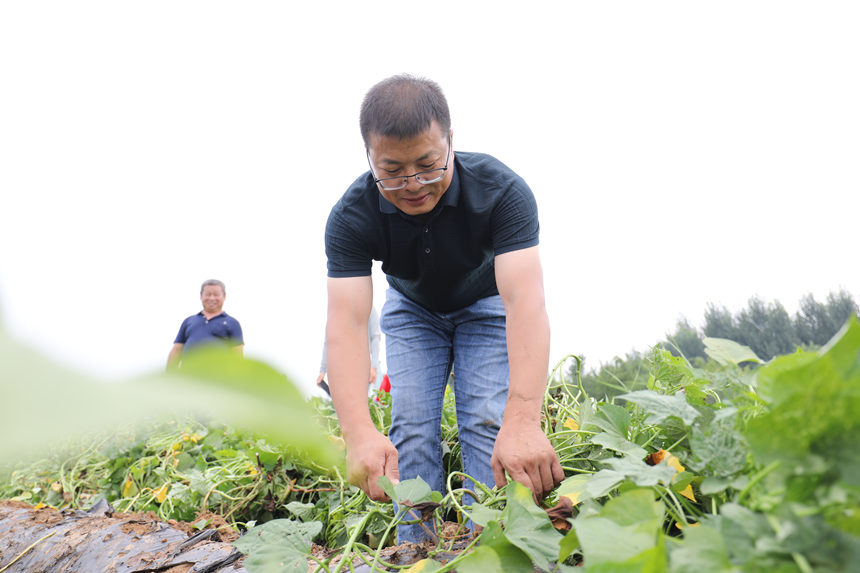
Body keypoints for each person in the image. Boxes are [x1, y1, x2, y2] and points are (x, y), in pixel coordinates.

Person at [323, 74, 563, 542]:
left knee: (490, 423)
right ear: (369, 156)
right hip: (413, 312)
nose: (413, 183)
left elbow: (525, 303)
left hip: (486, 305)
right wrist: (357, 434)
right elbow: (347, 323)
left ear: (450, 142)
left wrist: (524, 420)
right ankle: (417, 551)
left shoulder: (502, 192)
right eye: (392, 170)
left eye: (428, 164)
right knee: (411, 427)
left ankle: (490, 546)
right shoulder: (352, 216)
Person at [166, 279, 244, 369]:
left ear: (224, 296)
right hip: (188, 376)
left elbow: (237, 356)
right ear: (201, 296)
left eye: (216, 295)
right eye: (207, 294)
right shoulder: (189, 321)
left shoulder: (232, 323)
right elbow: (176, 351)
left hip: (216, 378)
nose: (211, 298)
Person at [317, 306, 381, 396]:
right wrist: (322, 371)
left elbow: (375, 337)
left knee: (370, 403)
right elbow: (328, 342)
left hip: (366, 364)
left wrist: (374, 367)